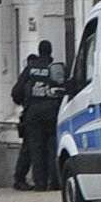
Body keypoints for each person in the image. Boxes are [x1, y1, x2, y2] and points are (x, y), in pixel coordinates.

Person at [13, 40, 63, 190]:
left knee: (36, 148)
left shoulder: (30, 69)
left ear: (39, 51)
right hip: (53, 112)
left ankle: (40, 183)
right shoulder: (56, 69)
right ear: (50, 52)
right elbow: (65, 88)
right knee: (53, 147)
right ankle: (54, 182)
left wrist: (24, 102)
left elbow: (16, 92)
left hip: (33, 113)